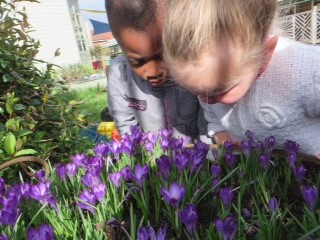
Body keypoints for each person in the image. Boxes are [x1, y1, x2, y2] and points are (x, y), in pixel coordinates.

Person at [162, 0, 320, 158]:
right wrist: (222, 135)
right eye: (198, 93)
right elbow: (214, 117)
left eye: (219, 91)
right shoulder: (210, 89)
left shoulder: (308, 71)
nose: (207, 101)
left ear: (264, 51)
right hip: (260, 171)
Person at [104, 0, 209, 143]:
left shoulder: (194, 64)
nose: (153, 72)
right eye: (138, 62)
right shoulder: (120, 74)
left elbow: (209, 119)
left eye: (163, 55)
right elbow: (126, 129)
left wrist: (206, 156)